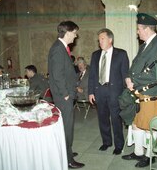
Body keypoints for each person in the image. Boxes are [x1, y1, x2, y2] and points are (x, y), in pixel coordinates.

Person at [122, 13, 157, 168]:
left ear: (147, 29)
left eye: (138, 29)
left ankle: (150, 155)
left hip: (153, 93)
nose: (137, 32)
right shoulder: (143, 46)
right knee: (136, 123)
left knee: (149, 126)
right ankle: (138, 152)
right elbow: (134, 66)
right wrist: (128, 78)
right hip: (139, 91)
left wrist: (133, 81)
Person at [47, 21, 84, 169]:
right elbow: (57, 75)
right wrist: (65, 94)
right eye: (75, 32)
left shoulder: (61, 47)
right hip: (64, 96)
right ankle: (67, 159)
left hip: (66, 94)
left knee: (66, 126)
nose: (75, 36)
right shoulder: (58, 49)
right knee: (66, 127)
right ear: (68, 32)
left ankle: (66, 151)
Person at [88, 28, 129, 155]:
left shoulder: (121, 54)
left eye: (102, 39)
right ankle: (106, 142)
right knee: (102, 118)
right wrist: (90, 92)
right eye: (99, 39)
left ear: (110, 40)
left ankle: (119, 145)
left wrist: (125, 94)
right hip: (99, 91)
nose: (99, 41)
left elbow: (125, 75)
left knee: (116, 119)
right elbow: (92, 76)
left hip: (115, 92)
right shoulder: (95, 55)